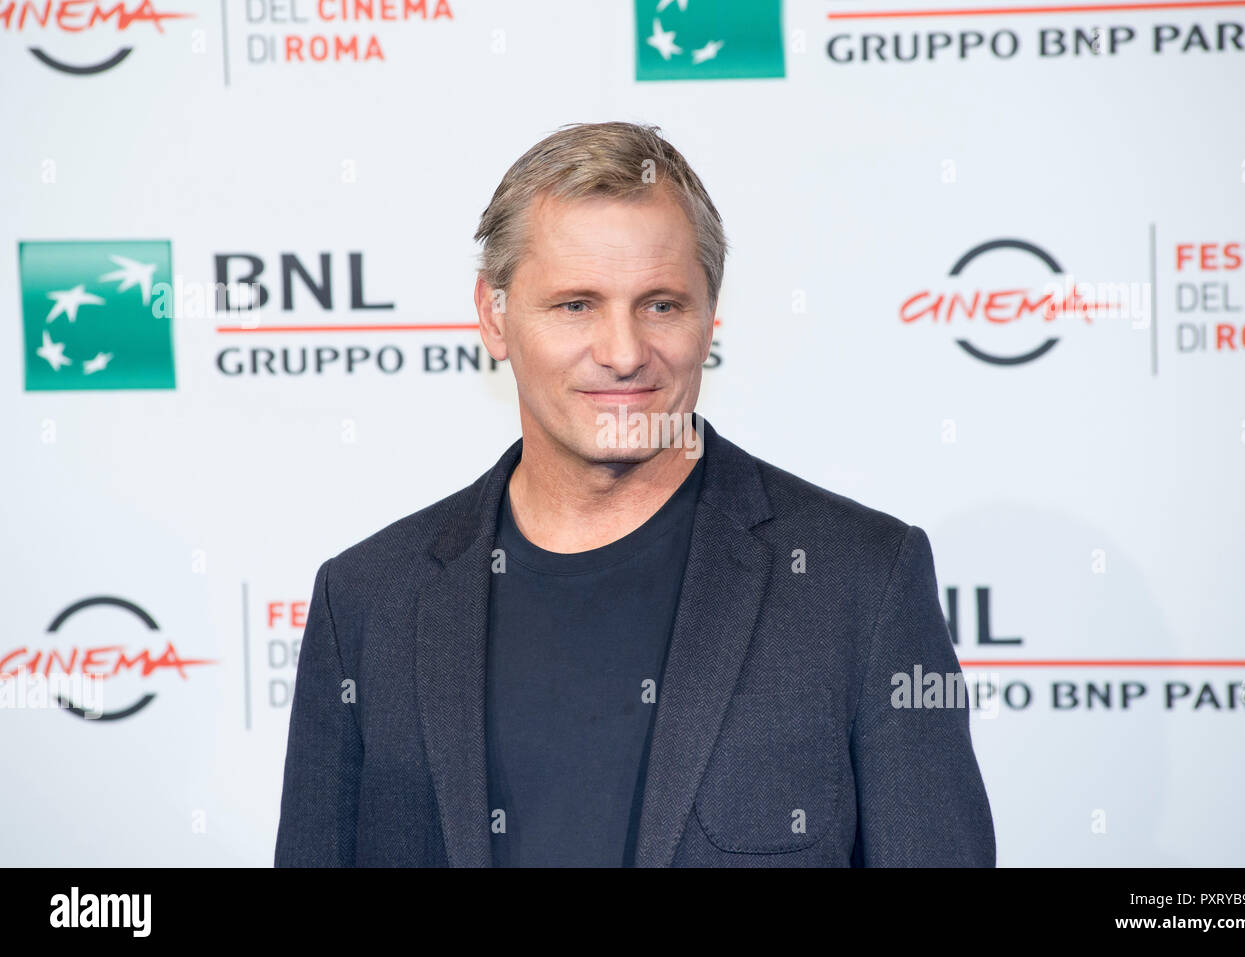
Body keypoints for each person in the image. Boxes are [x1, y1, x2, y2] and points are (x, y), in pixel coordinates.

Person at [273, 121, 995, 867]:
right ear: (494, 315)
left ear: (710, 316)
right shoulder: (365, 601)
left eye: (660, 305)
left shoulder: (862, 580)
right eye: (575, 305)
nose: (622, 354)